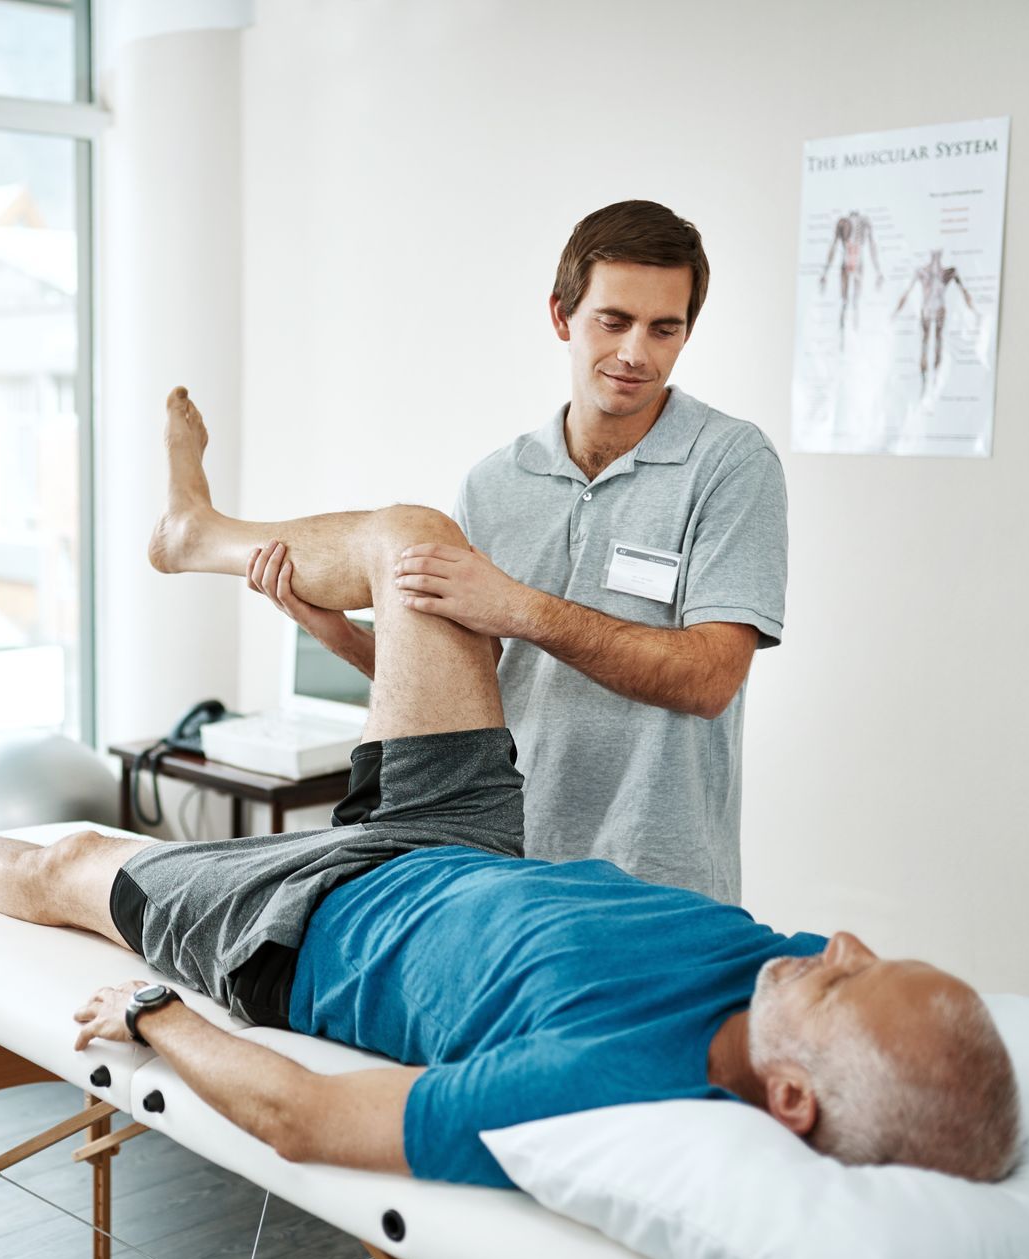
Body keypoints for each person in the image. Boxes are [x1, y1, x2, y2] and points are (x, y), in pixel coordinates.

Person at [0, 388, 1020, 1190]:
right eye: (866, 952)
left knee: (69, 862)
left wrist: (157, 1018)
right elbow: (900, 1054)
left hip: (306, 927)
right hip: (469, 836)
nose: (840, 943)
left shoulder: (604, 1086)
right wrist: (331, 629)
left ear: (793, 1099)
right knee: (415, 542)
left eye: (850, 977)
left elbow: (304, 1120)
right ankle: (197, 531)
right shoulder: (785, 972)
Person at [248, 201, 785, 904]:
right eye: (613, 321)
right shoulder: (495, 483)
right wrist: (338, 635)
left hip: (660, 886)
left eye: (664, 328)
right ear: (562, 316)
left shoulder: (731, 463)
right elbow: (471, 687)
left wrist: (519, 607)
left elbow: (709, 680)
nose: (636, 353)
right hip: (509, 870)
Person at [892, 248, 976, 395]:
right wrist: (895, 313)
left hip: (937, 310)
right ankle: (925, 384)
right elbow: (906, 293)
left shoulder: (947, 272)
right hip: (929, 309)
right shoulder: (923, 271)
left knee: (936, 342)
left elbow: (964, 291)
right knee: (926, 343)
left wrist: (975, 312)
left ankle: (934, 382)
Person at [820, 207, 883, 339]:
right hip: (850, 263)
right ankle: (842, 337)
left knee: (854, 302)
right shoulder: (844, 222)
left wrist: (878, 271)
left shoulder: (861, 222)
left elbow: (872, 246)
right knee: (846, 302)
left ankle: (854, 335)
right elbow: (834, 246)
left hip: (856, 263)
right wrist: (825, 272)